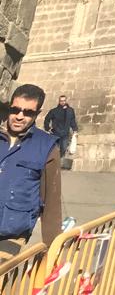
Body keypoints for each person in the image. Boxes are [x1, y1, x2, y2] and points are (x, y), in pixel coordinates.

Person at [0, 84, 62, 259]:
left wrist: (53, 247)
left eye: (28, 112)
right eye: (15, 110)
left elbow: (51, 201)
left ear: (37, 114)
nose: (19, 116)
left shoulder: (46, 146)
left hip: (12, 232)